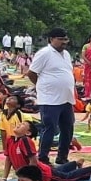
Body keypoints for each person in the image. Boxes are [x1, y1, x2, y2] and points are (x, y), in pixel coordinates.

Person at [28, 28, 76, 165]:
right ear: (51, 39)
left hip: (66, 98)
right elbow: (32, 73)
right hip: (50, 99)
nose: (63, 43)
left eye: (65, 39)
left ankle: (62, 157)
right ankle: (43, 158)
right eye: (60, 39)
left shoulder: (66, 54)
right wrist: (42, 87)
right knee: (49, 128)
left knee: (67, 129)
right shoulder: (44, 53)